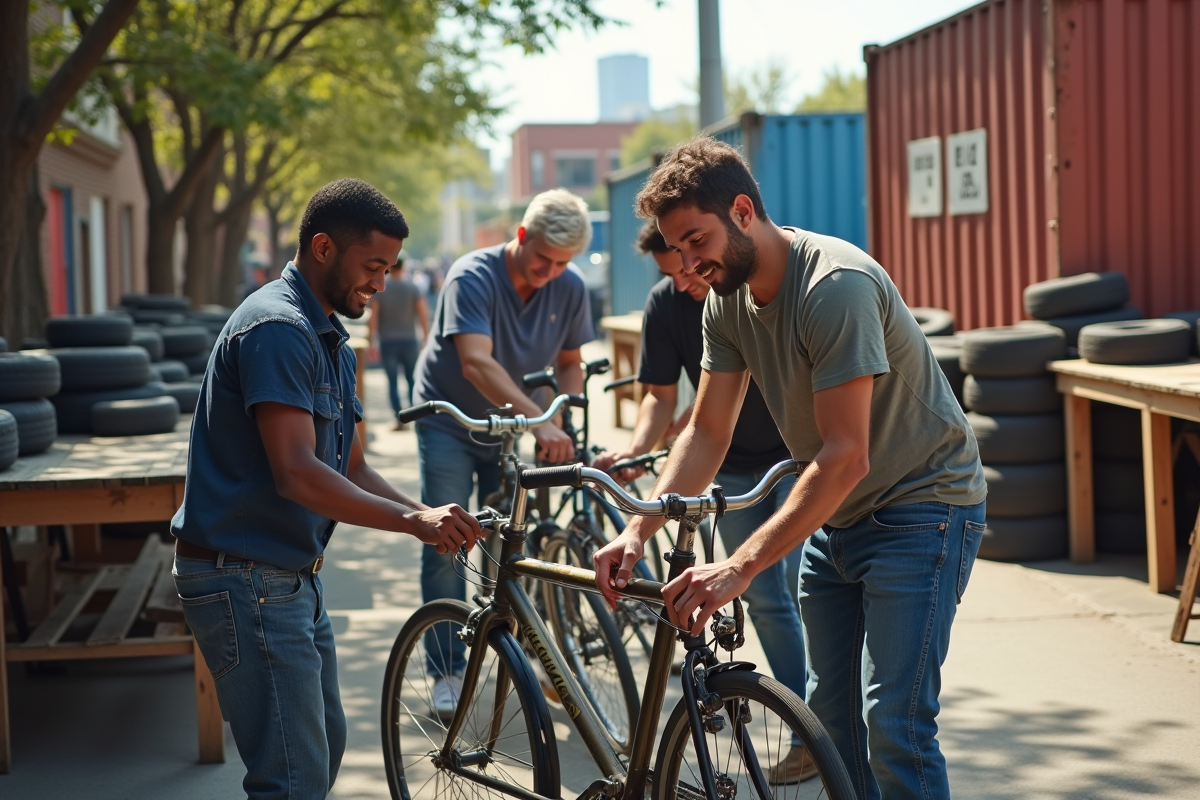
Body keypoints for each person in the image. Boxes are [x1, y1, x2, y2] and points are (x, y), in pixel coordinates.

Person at [593, 139, 986, 799]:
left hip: (922, 509)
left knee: (895, 725)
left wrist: (739, 565)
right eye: (677, 249)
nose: (687, 266)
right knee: (827, 727)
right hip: (841, 515)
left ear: (743, 210)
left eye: (697, 241)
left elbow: (845, 454)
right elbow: (708, 430)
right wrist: (642, 525)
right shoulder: (724, 298)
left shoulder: (833, 286)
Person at [171, 178, 482, 800]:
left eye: (390, 268)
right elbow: (297, 471)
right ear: (322, 248)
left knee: (323, 745)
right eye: (372, 265)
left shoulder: (331, 336)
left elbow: (351, 466)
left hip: (290, 578)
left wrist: (426, 512)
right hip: (245, 580)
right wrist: (410, 526)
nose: (383, 283)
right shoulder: (278, 328)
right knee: (293, 776)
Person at [592, 219, 815, 782]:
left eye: (695, 263)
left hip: (795, 455)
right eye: (675, 271)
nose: (689, 278)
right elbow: (663, 399)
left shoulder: (744, 287)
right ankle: (804, 726)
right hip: (732, 463)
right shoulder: (669, 305)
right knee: (765, 597)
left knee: (805, 588)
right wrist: (640, 451)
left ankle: (813, 728)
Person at [411, 188, 595, 711]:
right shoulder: (472, 276)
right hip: (451, 420)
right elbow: (476, 363)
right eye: (543, 257)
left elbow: (569, 362)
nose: (551, 271)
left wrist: (560, 416)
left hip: (515, 425)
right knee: (448, 541)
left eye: (563, 263)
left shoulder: (569, 285)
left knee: (513, 544)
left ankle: (519, 650)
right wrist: (540, 423)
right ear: (521, 235)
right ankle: (446, 668)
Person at [368, 252, 429, 429]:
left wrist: (371, 338)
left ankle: (399, 419)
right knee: (412, 380)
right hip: (410, 340)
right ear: (404, 267)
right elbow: (422, 314)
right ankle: (414, 416)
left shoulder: (382, 289)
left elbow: (374, 316)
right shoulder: (413, 288)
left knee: (392, 382)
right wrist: (426, 335)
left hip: (388, 341)